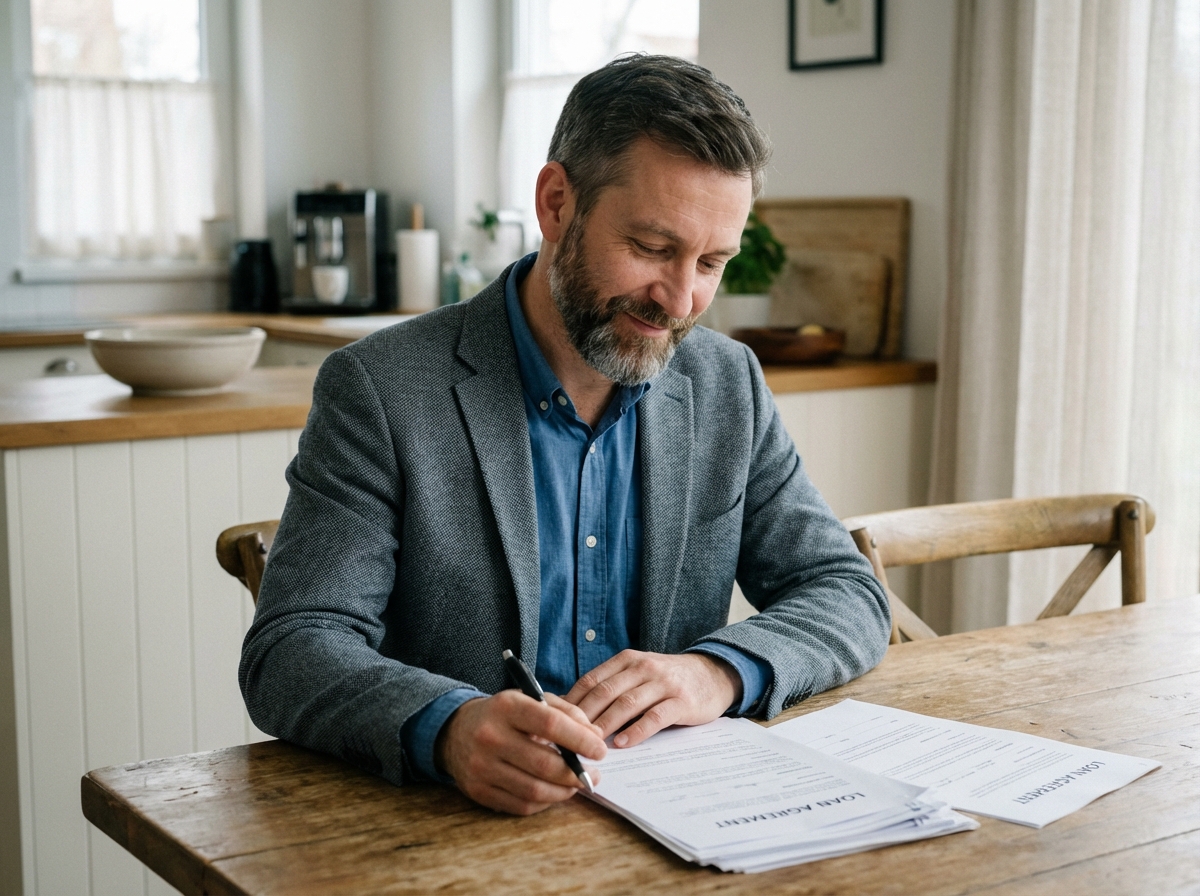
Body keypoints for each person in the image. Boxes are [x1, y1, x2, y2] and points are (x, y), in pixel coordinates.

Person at [240, 55, 890, 817]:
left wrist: (715, 673)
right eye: (652, 248)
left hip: (686, 815)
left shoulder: (726, 382)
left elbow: (846, 592)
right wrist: (448, 727)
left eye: (712, 261)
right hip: (457, 829)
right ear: (556, 204)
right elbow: (292, 648)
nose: (682, 299)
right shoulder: (381, 389)